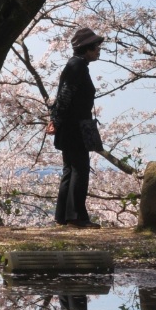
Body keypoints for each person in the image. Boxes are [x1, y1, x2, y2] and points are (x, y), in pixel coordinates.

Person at [48, 27, 104, 227]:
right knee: (79, 169)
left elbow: (63, 96)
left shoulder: (75, 65)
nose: (99, 50)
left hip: (69, 126)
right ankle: (77, 217)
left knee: (70, 170)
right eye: (96, 47)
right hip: (74, 127)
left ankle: (63, 216)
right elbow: (65, 96)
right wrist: (56, 119)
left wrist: (56, 120)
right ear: (87, 49)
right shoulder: (77, 67)